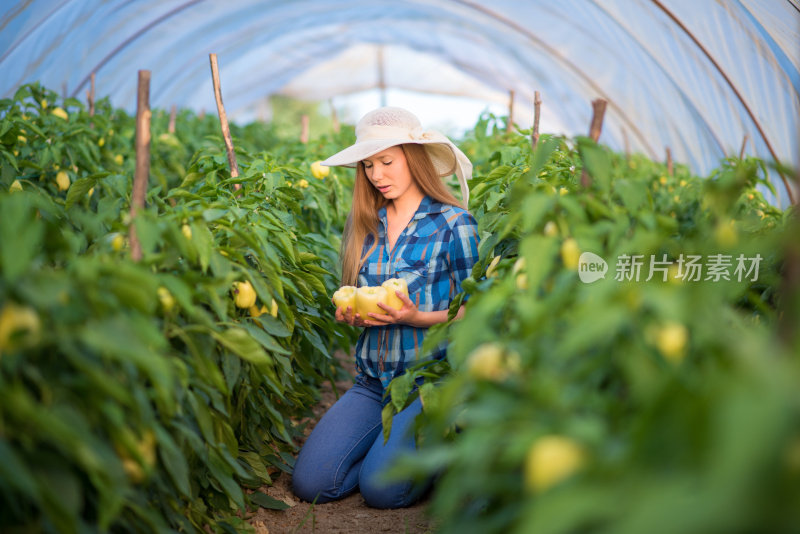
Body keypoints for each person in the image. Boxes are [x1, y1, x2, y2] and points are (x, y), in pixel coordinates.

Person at [291, 107, 480, 509]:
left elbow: (478, 311)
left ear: (414, 158)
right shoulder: (367, 226)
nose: (376, 175)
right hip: (373, 384)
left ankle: (440, 447)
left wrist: (417, 317)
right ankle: (392, 450)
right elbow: (360, 301)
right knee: (312, 484)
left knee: (382, 490)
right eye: (368, 165)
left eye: (387, 161)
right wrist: (351, 314)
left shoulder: (453, 224)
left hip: (427, 385)